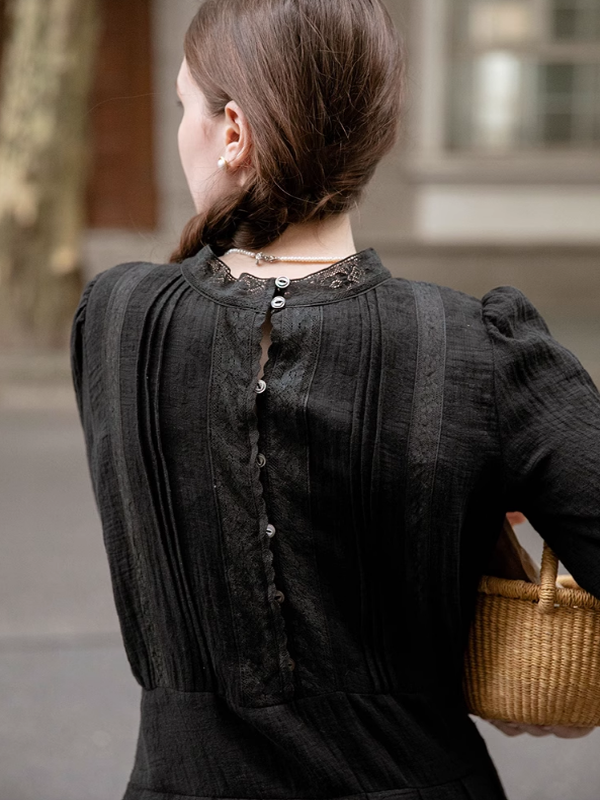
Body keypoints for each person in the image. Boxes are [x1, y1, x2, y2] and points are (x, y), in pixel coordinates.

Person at [69, 1, 600, 798]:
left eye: (185, 107)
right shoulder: (479, 349)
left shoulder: (115, 318)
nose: (182, 131)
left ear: (235, 131)